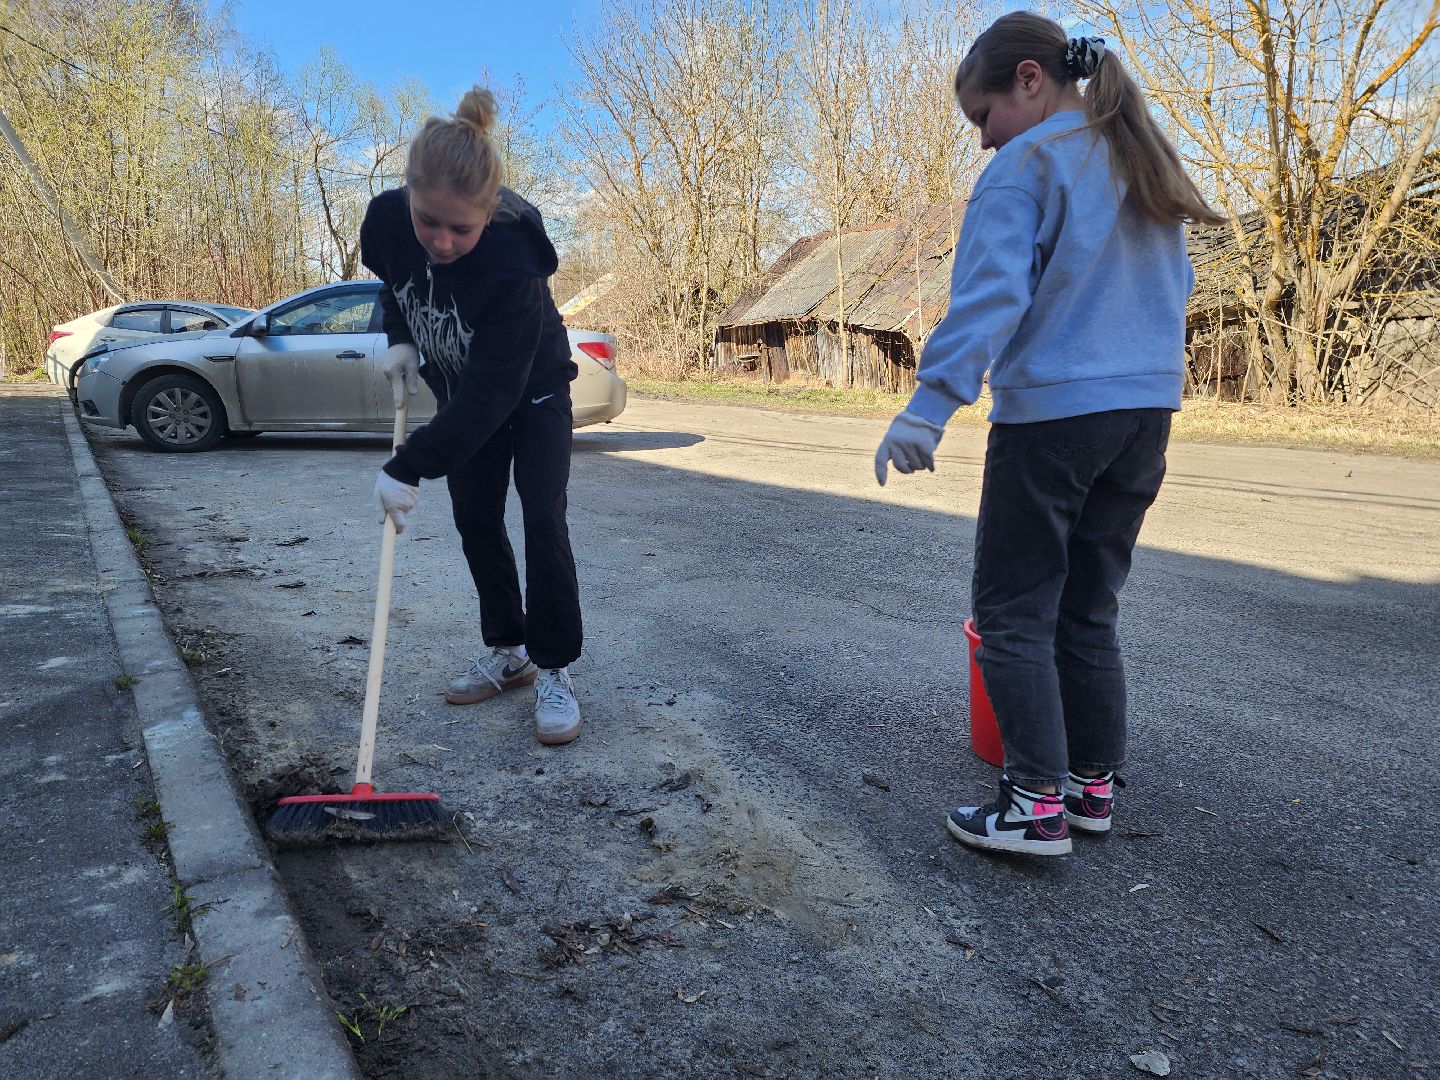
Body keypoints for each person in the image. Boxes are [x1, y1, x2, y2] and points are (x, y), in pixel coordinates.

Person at [874, 12, 1225, 856]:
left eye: (981, 118)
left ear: (1029, 80)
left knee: (1012, 613)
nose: (983, 142)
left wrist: (927, 408)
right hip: (1145, 417)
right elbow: (1169, 294)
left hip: (1056, 419)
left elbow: (989, 299)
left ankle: (1032, 805)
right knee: (1087, 610)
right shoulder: (1140, 160)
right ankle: (1089, 789)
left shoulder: (1026, 167)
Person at [360, 87, 585, 747]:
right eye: (431, 221)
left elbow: (493, 395)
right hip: (466, 393)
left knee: (542, 516)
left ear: (491, 214)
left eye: (463, 228)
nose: (445, 241)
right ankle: (509, 650)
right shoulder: (388, 222)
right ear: (409, 198)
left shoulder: (513, 262)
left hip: (534, 393)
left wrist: (409, 465)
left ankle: (554, 666)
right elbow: (398, 280)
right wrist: (399, 333)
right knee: (475, 519)